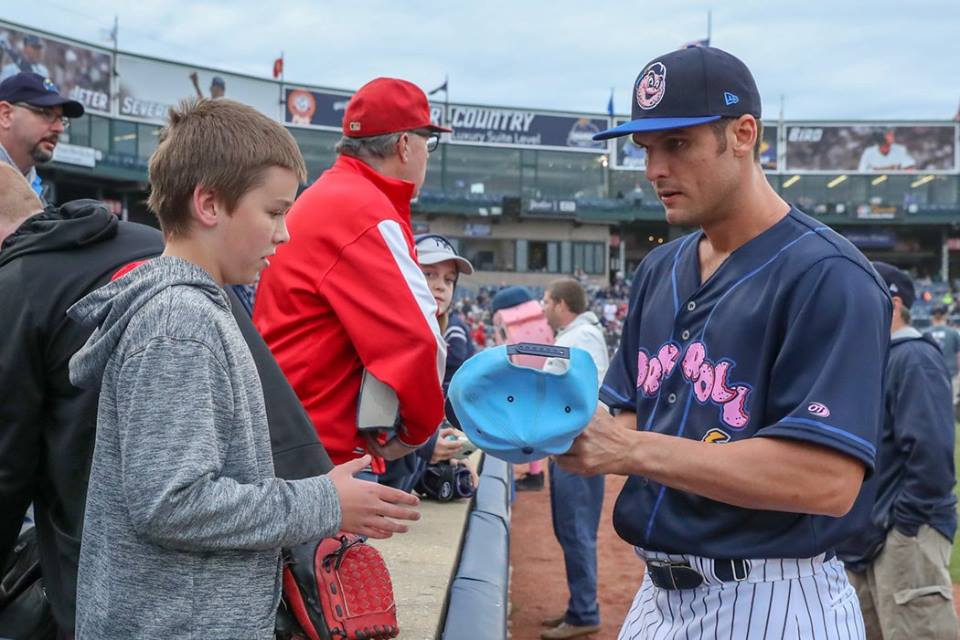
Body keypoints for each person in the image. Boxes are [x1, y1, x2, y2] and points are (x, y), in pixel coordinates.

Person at [559, 45, 890, 638]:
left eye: (676, 144)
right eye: (646, 149)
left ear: (742, 134)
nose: (654, 168)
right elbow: (631, 414)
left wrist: (629, 451)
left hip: (774, 598)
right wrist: (555, 421)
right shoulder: (660, 270)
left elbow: (826, 481)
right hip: (655, 596)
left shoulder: (828, 276)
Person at [65, 98, 420, 639]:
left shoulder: (194, 309)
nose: (285, 234)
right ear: (209, 204)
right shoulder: (178, 322)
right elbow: (172, 504)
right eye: (275, 212)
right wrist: (322, 502)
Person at [254, 77, 452, 472]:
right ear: (403, 145)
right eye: (427, 141)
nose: (426, 154)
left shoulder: (337, 194)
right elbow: (419, 343)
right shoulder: (364, 208)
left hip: (290, 436)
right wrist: (416, 434)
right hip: (319, 454)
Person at [839, 264, 958, 640]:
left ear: (892, 303)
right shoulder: (876, 359)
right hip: (866, 539)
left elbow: (933, 455)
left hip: (903, 536)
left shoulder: (914, 357)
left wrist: (904, 526)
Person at [539, 278, 609, 640]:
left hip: (578, 447)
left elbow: (576, 395)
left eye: (547, 300)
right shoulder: (577, 334)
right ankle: (579, 607)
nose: (543, 306)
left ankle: (584, 613)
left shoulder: (579, 338)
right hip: (570, 445)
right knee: (570, 530)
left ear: (563, 304)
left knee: (576, 531)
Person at [380, 233, 476, 492]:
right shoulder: (384, 333)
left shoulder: (435, 337)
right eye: (429, 274)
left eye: (449, 279)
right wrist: (426, 446)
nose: (440, 286)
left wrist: (443, 454)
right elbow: (373, 430)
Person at [0, 72, 84, 198]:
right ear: (5, 115)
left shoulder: (36, 194)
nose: (60, 128)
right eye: (46, 114)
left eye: (62, 120)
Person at [923, 305, 960, 399]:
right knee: (951, 404)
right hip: (951, 374)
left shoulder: (925, 333)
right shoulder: (954, 333)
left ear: (932, 317)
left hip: (929, 375)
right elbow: (959, 356)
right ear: (945, 316)